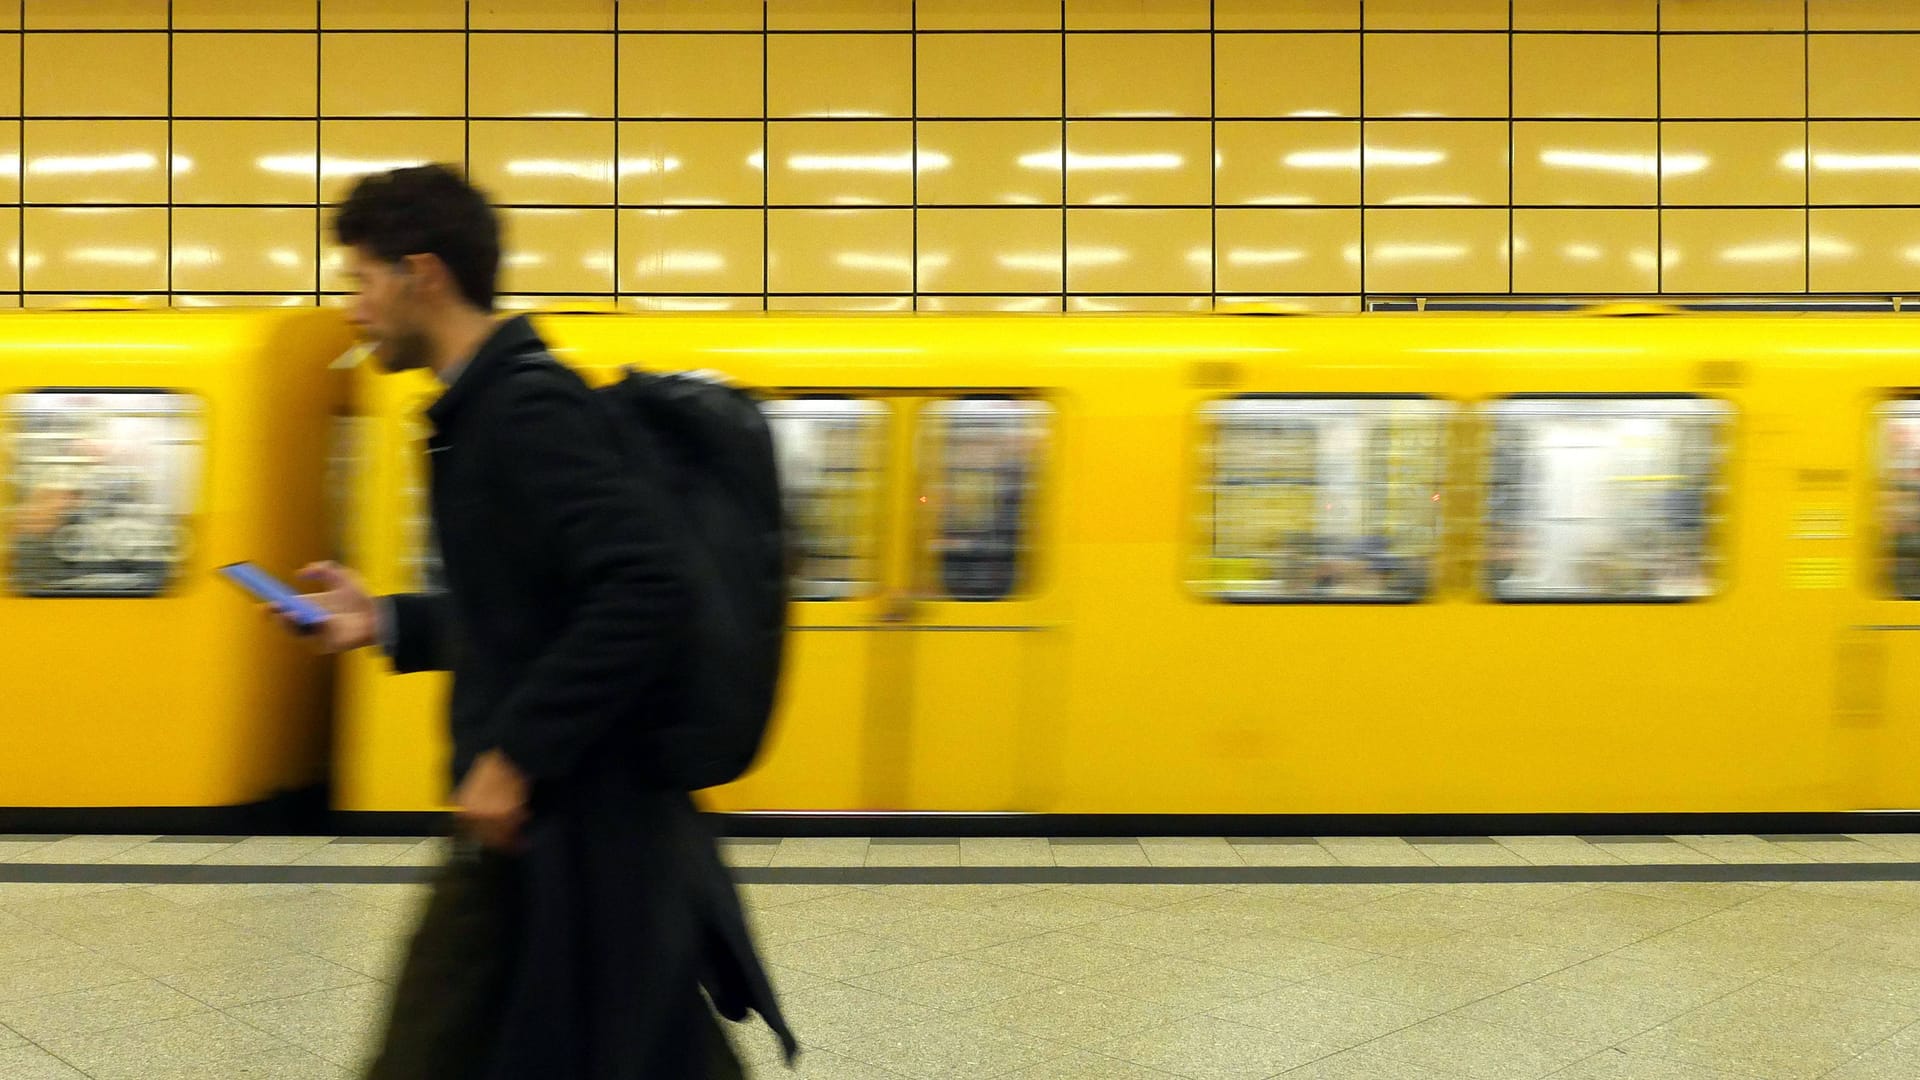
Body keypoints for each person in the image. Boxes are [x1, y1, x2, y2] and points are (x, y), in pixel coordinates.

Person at [284, 164, 793, 1079]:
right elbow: (538, 609)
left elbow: (645, 585)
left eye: (360, 280)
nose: (352, 311)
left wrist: (516, 755)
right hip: (551, 833)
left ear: (421, 273)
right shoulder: (486, 409)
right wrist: (386, 622)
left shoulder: (524, 409)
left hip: (570, 827)